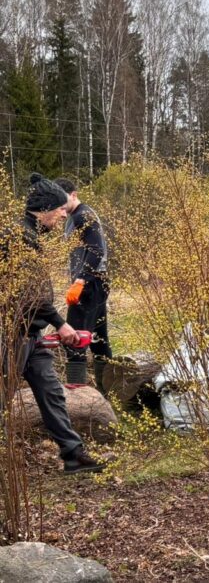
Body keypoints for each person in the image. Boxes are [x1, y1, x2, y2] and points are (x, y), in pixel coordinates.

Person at [0, 173, 104, 474]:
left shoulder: (30, 237)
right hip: (10, 334)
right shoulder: (17, 237)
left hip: (30, 333)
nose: (63, 213)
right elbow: (26, 294)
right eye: (59, 208)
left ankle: (73, 454)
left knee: (52, 391)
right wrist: (61, 324)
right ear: (44, 208)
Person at [54, 178, 111, 393]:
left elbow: (97, 250)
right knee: (99, 340)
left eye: (63, 199)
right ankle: (108, 394)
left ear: (74, 195)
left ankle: (77, 397)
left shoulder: (84, 215)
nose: (60, 205)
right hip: (95, 283)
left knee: (74, 340)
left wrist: (81, 280)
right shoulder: (71, 217)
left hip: (90, 284)